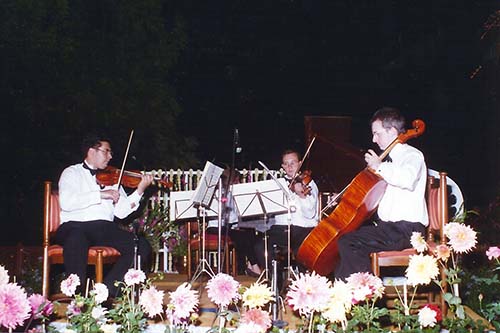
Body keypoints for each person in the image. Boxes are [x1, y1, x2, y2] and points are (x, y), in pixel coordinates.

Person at [334, 107, 428, 279]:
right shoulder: (388, 160)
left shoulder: (412, 155)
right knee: (341, 249)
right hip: (390, 229)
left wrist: (379, 166)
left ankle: (365, 294)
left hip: (407, 230)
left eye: (377, 133)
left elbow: (407, 179)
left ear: (392, 131)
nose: (373, 139)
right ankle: (348, 295)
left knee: (349, 242)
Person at [56, 133, 154, 296]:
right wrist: (101, 194)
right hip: (74, 225)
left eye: (111, 153)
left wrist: (140, 190)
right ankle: (78, 298)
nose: (110, 156)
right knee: (76, 239)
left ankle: (104, 295)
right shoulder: (71, 173)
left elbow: (121, 212)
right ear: (91, 151)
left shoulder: (113, 179)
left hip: (103, 228)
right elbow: (66, 202)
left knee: (141, 246)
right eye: (106, 151)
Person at [254, 149, 319, 275]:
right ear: (282, 166)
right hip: (282, 228)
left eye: (293, 163)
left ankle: (303, 284)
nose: (289, 167)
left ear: (300, 163)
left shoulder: (309, 183)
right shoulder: (277, 184)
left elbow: (310, 213)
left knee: (303, 251)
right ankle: (275, 282)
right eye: (286, 164)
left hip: (303, 228)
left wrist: (302, 196)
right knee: (260, 246)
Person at [206, 167, 263, 277]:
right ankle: (254, 265)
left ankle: (248, 266)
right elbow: (227, 215)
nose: (238, 183)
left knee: (251, 233)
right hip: (215, 228)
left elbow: (236, 215)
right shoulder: (219, 194)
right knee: (241, 236)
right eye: (236, 180)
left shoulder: (232, 194)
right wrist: (236, 224)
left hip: (229, 227)